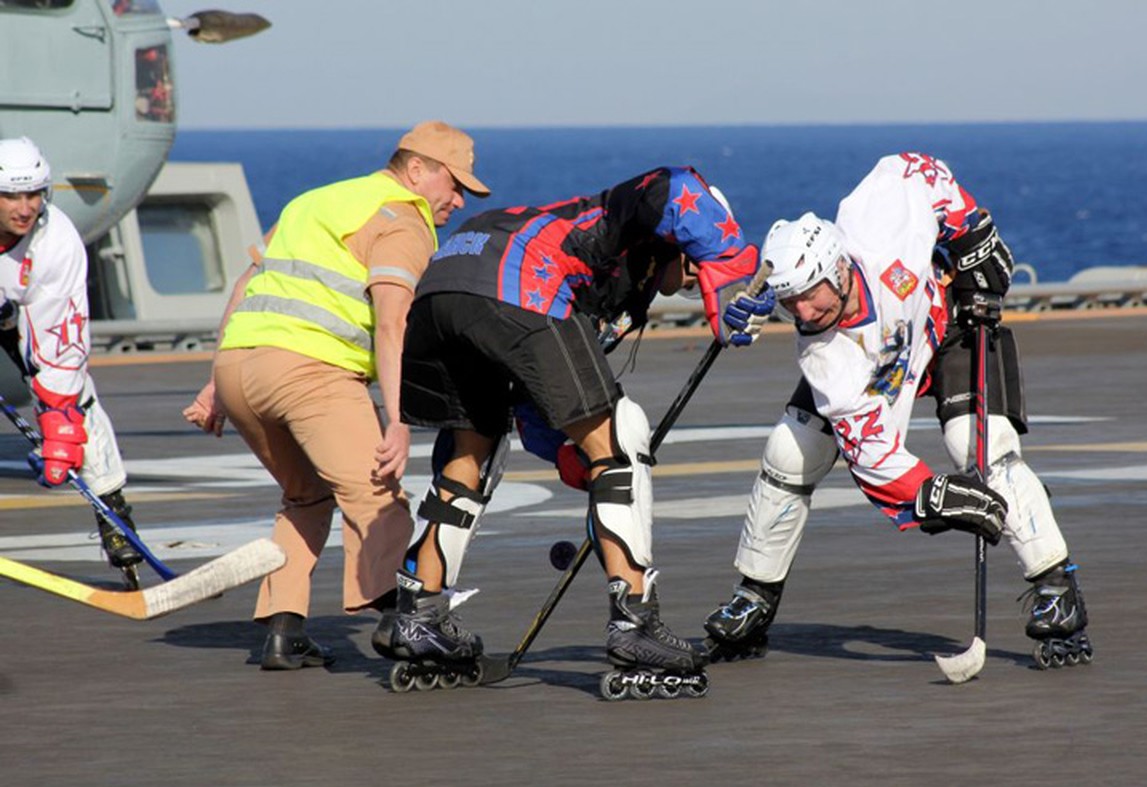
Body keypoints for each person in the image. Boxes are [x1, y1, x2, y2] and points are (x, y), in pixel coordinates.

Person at [371, 165, 777, 695]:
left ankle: (417, 612)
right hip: (516, 275)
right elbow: (675, 184)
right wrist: (732, 269)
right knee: (621, 439)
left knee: (472, 456)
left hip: (444, 288)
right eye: (694, 262)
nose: (698, 275)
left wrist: (570, 456)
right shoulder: (625, 223)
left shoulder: (618, 292)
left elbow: (537, 395)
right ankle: (635, 623)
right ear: (678, 241)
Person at [703, 152, 1093, 669]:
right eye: (788, 303)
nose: (801, 313)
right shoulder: (826, 360)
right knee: (789, 452)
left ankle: (1056, 588)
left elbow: (917, 169)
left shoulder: (878, 218)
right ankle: (755, 597)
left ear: (839, 269)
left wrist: (971, 227)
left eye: (808, 295)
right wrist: (933, 496)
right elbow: (873, 458)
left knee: (981, 448)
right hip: (877, 378)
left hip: (952, 321)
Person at [182, 121, 490, 670]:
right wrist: (398, 420)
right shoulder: (406, 218)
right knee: (378, 498)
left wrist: (213, 383)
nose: (459, 199)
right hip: (310, 373)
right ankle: (407, 626)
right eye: (455, 183)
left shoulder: (317, 200)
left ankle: (284, 631)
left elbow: (244, 284)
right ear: (416, 169)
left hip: (239, 364)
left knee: (305, 497)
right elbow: (393, 322)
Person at [0, 136, 145, 588]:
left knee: (76, 399)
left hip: (18, 316)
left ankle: (112, 512)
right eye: (11, 196)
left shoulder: (56, 238)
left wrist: (60, 428)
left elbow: (61, 344)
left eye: (34, 194)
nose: (25, 207)